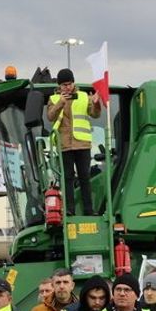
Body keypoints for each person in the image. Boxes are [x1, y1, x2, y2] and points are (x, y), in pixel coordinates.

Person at [46, 68, 102, 215]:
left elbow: (95, 114)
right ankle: (70, 210)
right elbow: (50, 117)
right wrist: (61, 103)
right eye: (64, 85)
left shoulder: (84, 96)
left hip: (82, 143)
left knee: (85, 177)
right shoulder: (53, 99)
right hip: (64, 145)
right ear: (59, 86)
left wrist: (96, 103)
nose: (67, 87)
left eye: (69, 84)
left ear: (73, 83)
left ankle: (89, 210)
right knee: (68, 178)